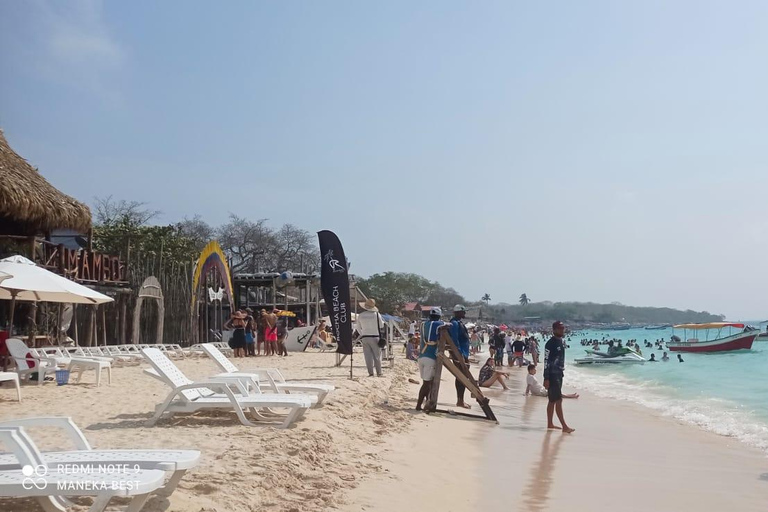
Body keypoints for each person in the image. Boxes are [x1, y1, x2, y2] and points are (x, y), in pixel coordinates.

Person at [543, 321, 574, 433]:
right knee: (558, 400)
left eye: (563, 328)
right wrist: (546, 378)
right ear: (554, 330)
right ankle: (564, 426)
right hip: (552, 375)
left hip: (559, 374)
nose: (562, 330)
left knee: (552, 401)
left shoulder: (560, 341)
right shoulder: (550, 344)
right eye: (560, 328)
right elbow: (546, 361)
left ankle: (550, 423)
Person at [416, 308, 442, 410]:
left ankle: (427, 402)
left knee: (427, 382)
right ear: (439, 316)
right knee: (427, 383)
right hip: (430, 357)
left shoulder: (423, 324)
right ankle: (418, 405)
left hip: (422, 356)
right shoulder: (437, 324)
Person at [449, 305, 472, 409]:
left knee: (463, 377)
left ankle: (461, 400)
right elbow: (454, 340)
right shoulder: (454, 323)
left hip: (464, 353)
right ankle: (460, 401)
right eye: (463, 312)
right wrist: (459, 354)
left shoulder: (458, 322)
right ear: (458, 312)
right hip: (460, 353)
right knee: (461, 377)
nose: (464, 314)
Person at [356, 298, 384, 377]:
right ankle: (379, 372)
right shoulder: (377, 314)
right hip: (375, 336)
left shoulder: (361, 315)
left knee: (368, 356)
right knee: (377, 356)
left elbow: (358, 328)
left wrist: (362, 334)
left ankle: (370, 373)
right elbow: (381, 325)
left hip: (365, 337)